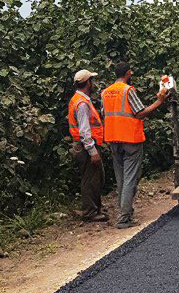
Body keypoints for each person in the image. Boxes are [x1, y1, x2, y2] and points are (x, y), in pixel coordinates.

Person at [101, 63, 167, 228]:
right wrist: (159, 101)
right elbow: (140, 113)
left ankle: (126, 213)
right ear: (128, 73)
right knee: (130, 179)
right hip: (130, 139)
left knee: (121, 179)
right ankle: (124, 219)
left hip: (113, 139)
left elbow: (106, 115)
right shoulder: (127, 90)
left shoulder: (105, 92)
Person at [67, 69, 107, 222]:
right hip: (86, 146)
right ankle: (90, 212)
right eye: (92, 80)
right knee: (91, 179)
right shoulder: (82, 104)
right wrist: (92, 151)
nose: (93, 83)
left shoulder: (78, 99)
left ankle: (95, 209)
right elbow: (84, 131)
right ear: (88, 83)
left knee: (96, 178)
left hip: (84, 145)